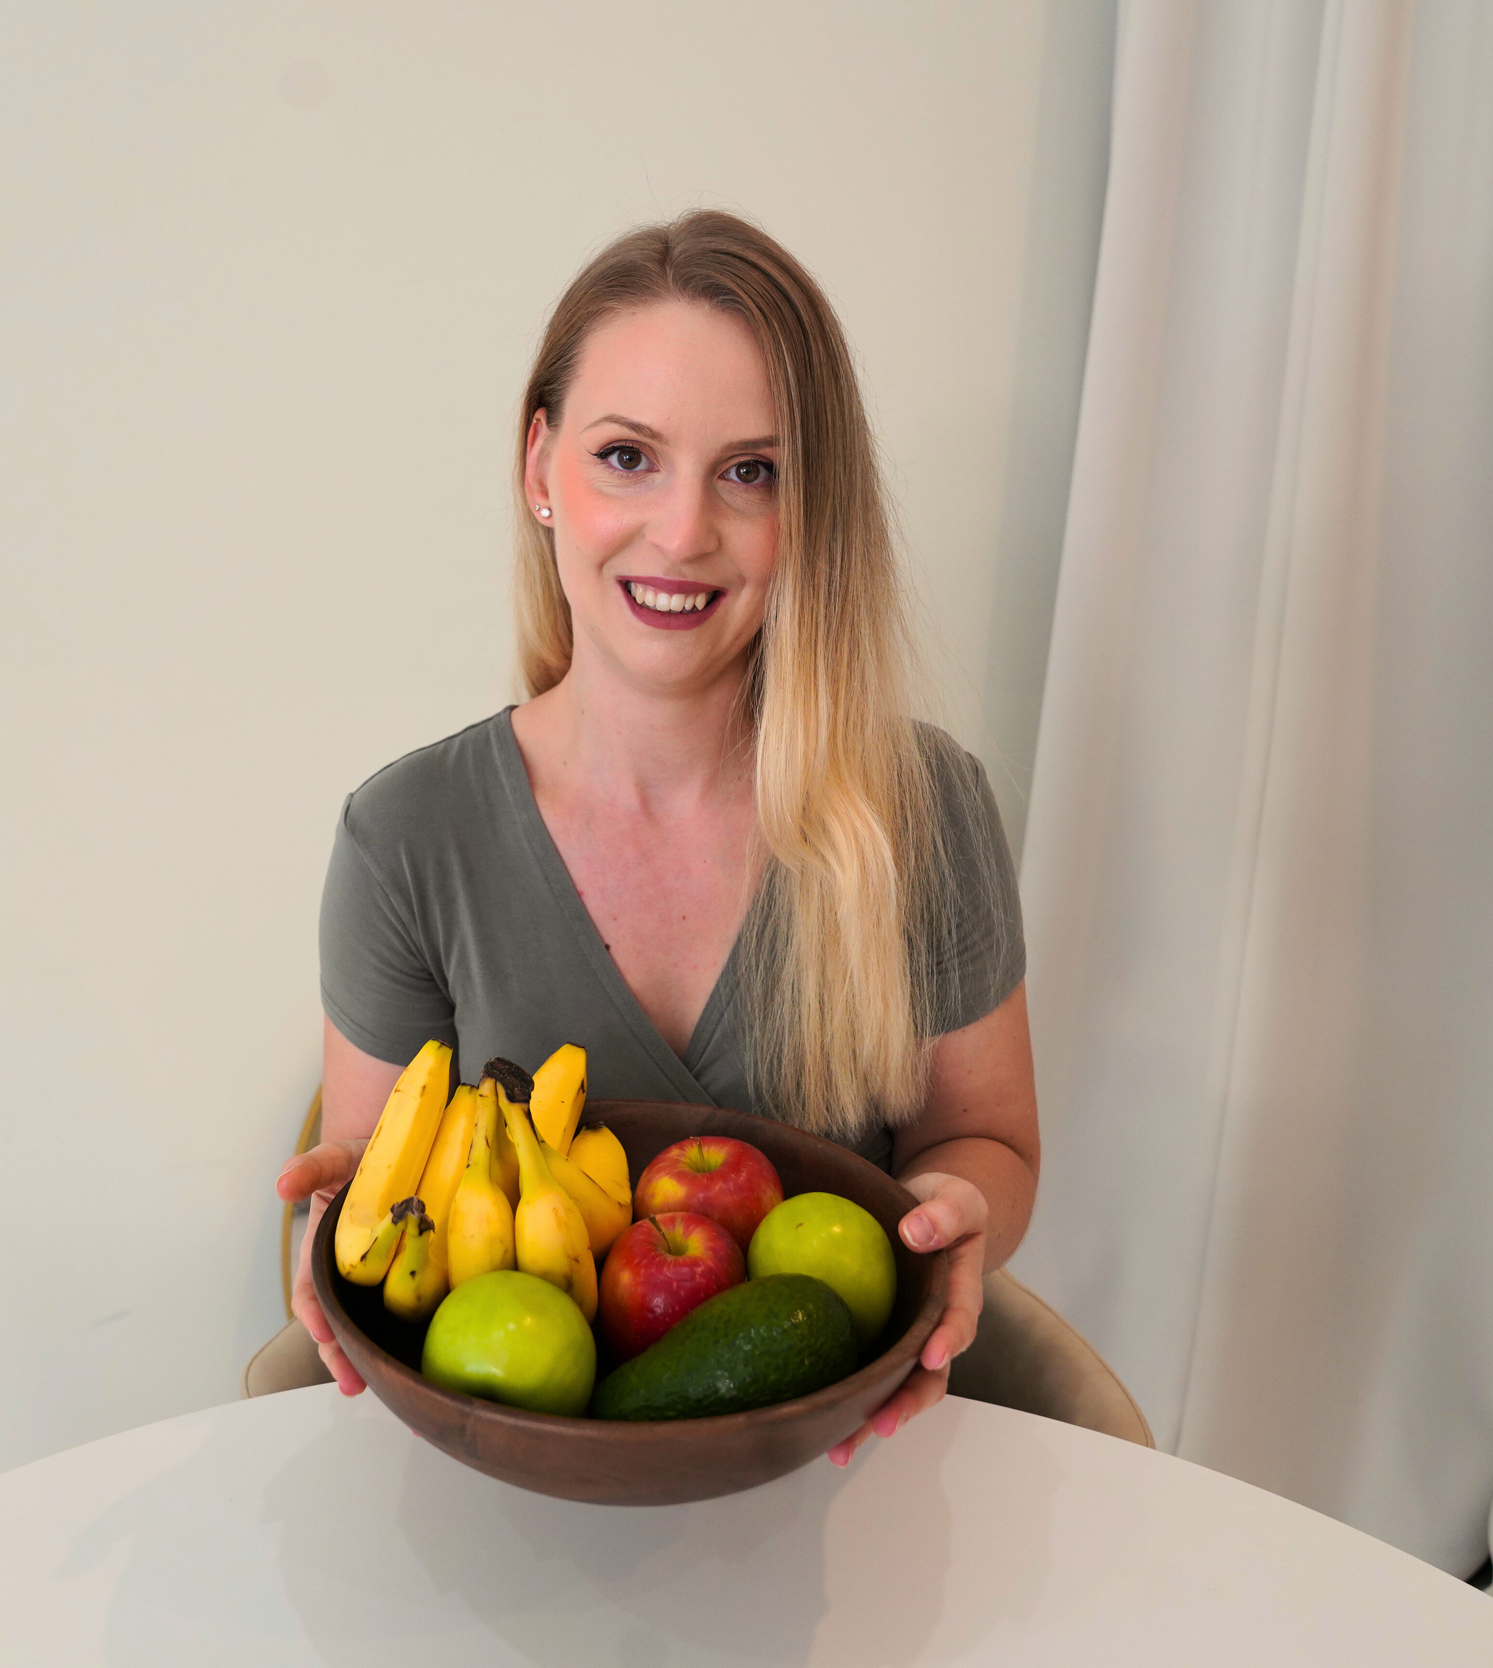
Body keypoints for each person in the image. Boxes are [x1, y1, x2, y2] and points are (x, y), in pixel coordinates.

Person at [264, 210, 1037, 1467]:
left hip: (842, 1471)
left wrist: (961, 1209)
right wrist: (325, 1246)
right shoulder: (408, 841)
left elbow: (989, 1138)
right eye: (628, 457)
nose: (682, 533)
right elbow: (369, 1187)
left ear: (810, 510)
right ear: (539, 468)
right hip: (516, 1492)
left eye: (751, 471)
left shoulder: (924, 811)